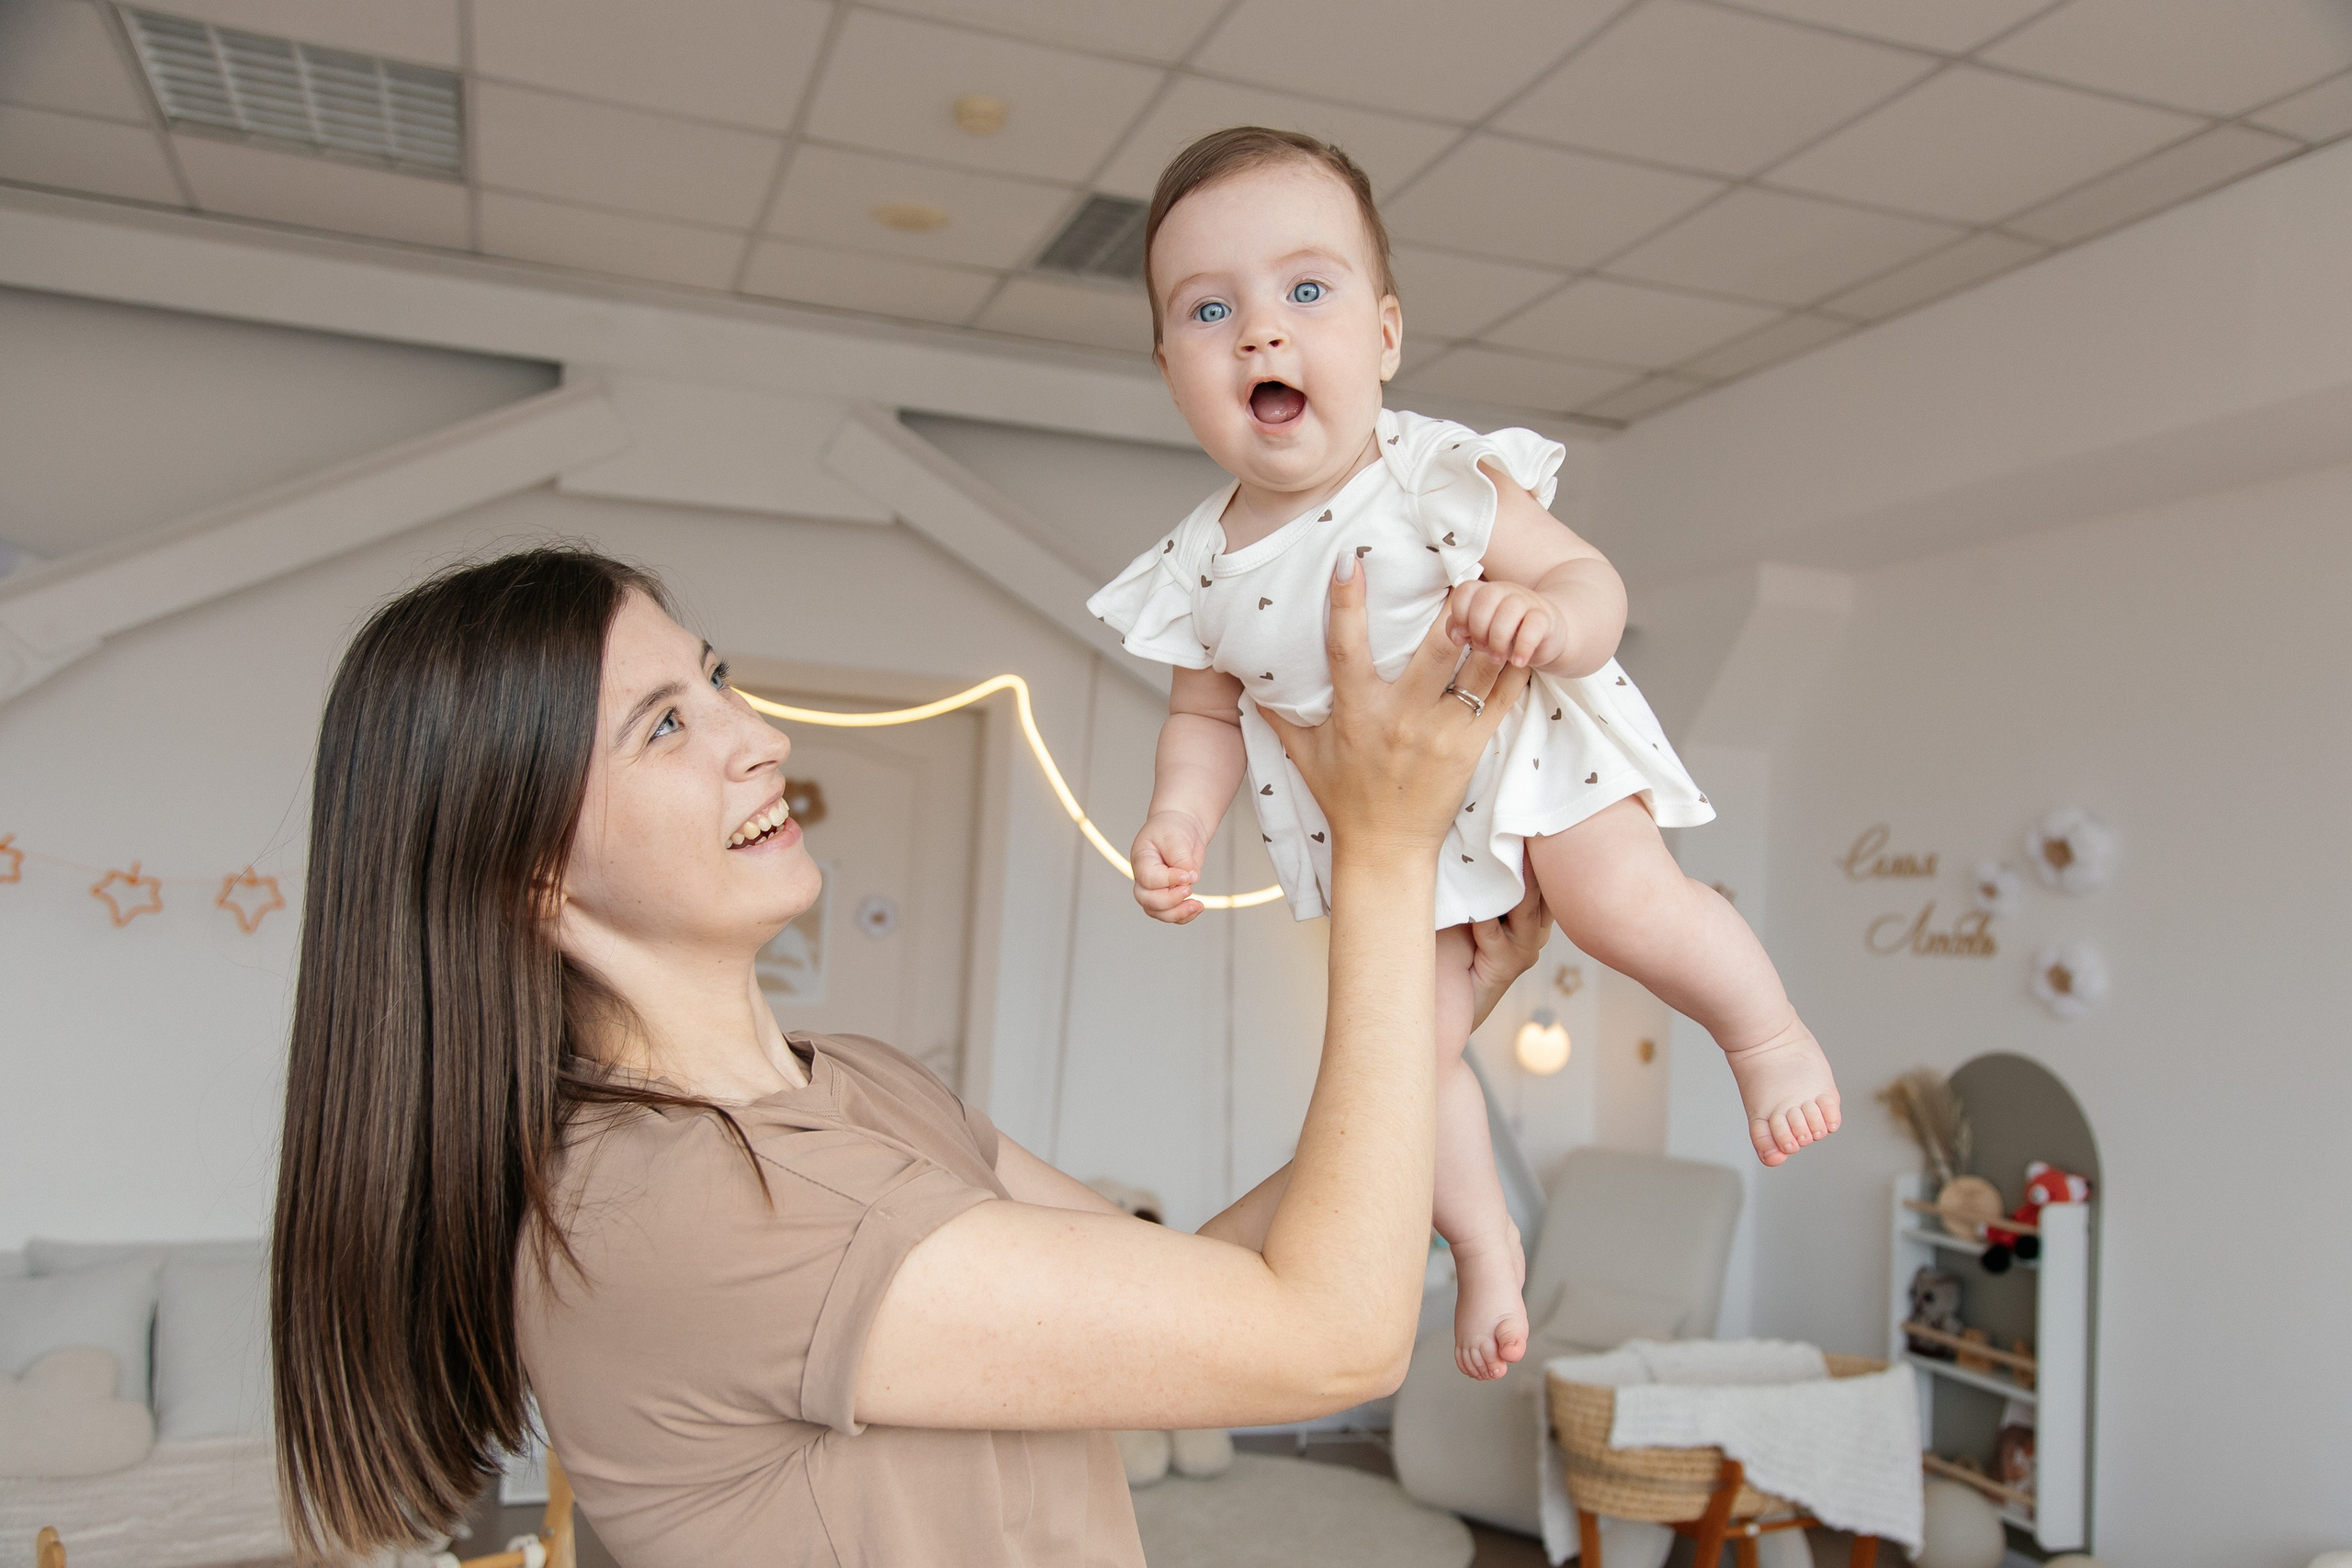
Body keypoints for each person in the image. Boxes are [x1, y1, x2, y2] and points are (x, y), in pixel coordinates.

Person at [270, 545, 1550, 1568]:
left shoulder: (861, 1081)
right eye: (664, 727)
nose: (754, 733)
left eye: (713, 678)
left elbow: (1206, 1294)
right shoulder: (680, 1209)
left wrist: (1433, 1008)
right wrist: (1383, 852)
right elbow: (1325, 1339)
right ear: (529, 874)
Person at [1087, 127, 1843, 1382]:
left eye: (1305, 290)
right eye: (1210, 310)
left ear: (1384, 336)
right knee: (1399, 1058)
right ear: (1172, 369)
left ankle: (1766, 1037)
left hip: (1528, 753)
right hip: (1389, 845)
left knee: (1618, 905)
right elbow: (1204, 721)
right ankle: (1485, 1245)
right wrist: (1176, 820)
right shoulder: (1196, 567)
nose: (1262, 333)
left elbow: (1582, 578)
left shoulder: (1431, 473)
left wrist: (1549, 620)